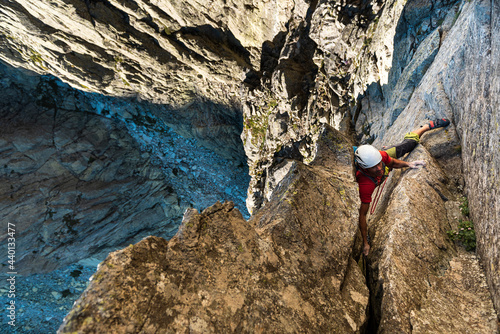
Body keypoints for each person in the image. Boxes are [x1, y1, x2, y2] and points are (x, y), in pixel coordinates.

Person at [355, 118, 450, 256]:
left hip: (384, 154)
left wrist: (409, 164)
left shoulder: (380, 157)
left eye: (379, 164)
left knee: (409, 144)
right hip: (372, 174)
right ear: (364, 168)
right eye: (374, 167)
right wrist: (365, 242)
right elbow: (362, 215)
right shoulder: (365, 184)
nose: (379, 168)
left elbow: (392, 162)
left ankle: (426, 126)